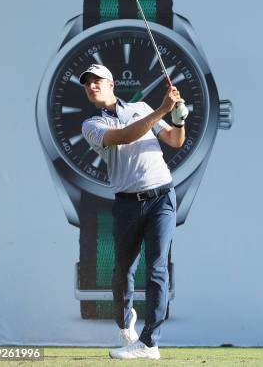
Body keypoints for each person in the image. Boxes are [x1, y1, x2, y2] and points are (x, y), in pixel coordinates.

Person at [79, 64, 188, 360]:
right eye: (87, 83)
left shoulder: (140, 107)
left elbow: (175, 141)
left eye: (97, 81)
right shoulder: (91, 125)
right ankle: (125, 319)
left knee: (157, 268)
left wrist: (178, 119)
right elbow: (124, 137)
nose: (92, 86)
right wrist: (163, 110)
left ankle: (150, 342)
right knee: (123, 271)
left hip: (162, 196)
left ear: (111, 82)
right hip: (127, 203)